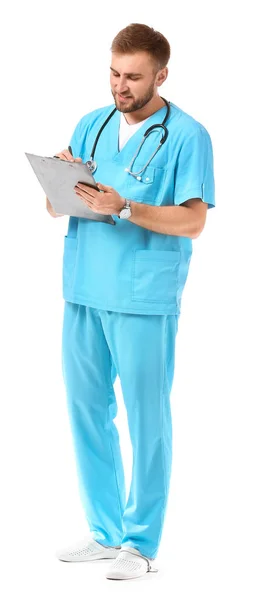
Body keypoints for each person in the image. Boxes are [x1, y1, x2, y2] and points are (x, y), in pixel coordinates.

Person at [47, 23, 215, 580]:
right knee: (86, 412)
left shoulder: (188, 135)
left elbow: (193, 221)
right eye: (115, 73)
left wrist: (127, 207)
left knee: (148, 420)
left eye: (133, 77)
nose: (121, 86)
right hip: (83, 288)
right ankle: (105, 532)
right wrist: (58, 187)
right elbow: (63, 207)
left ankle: (140, 544)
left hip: (143, 296)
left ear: (161, 75)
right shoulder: (91, 123)